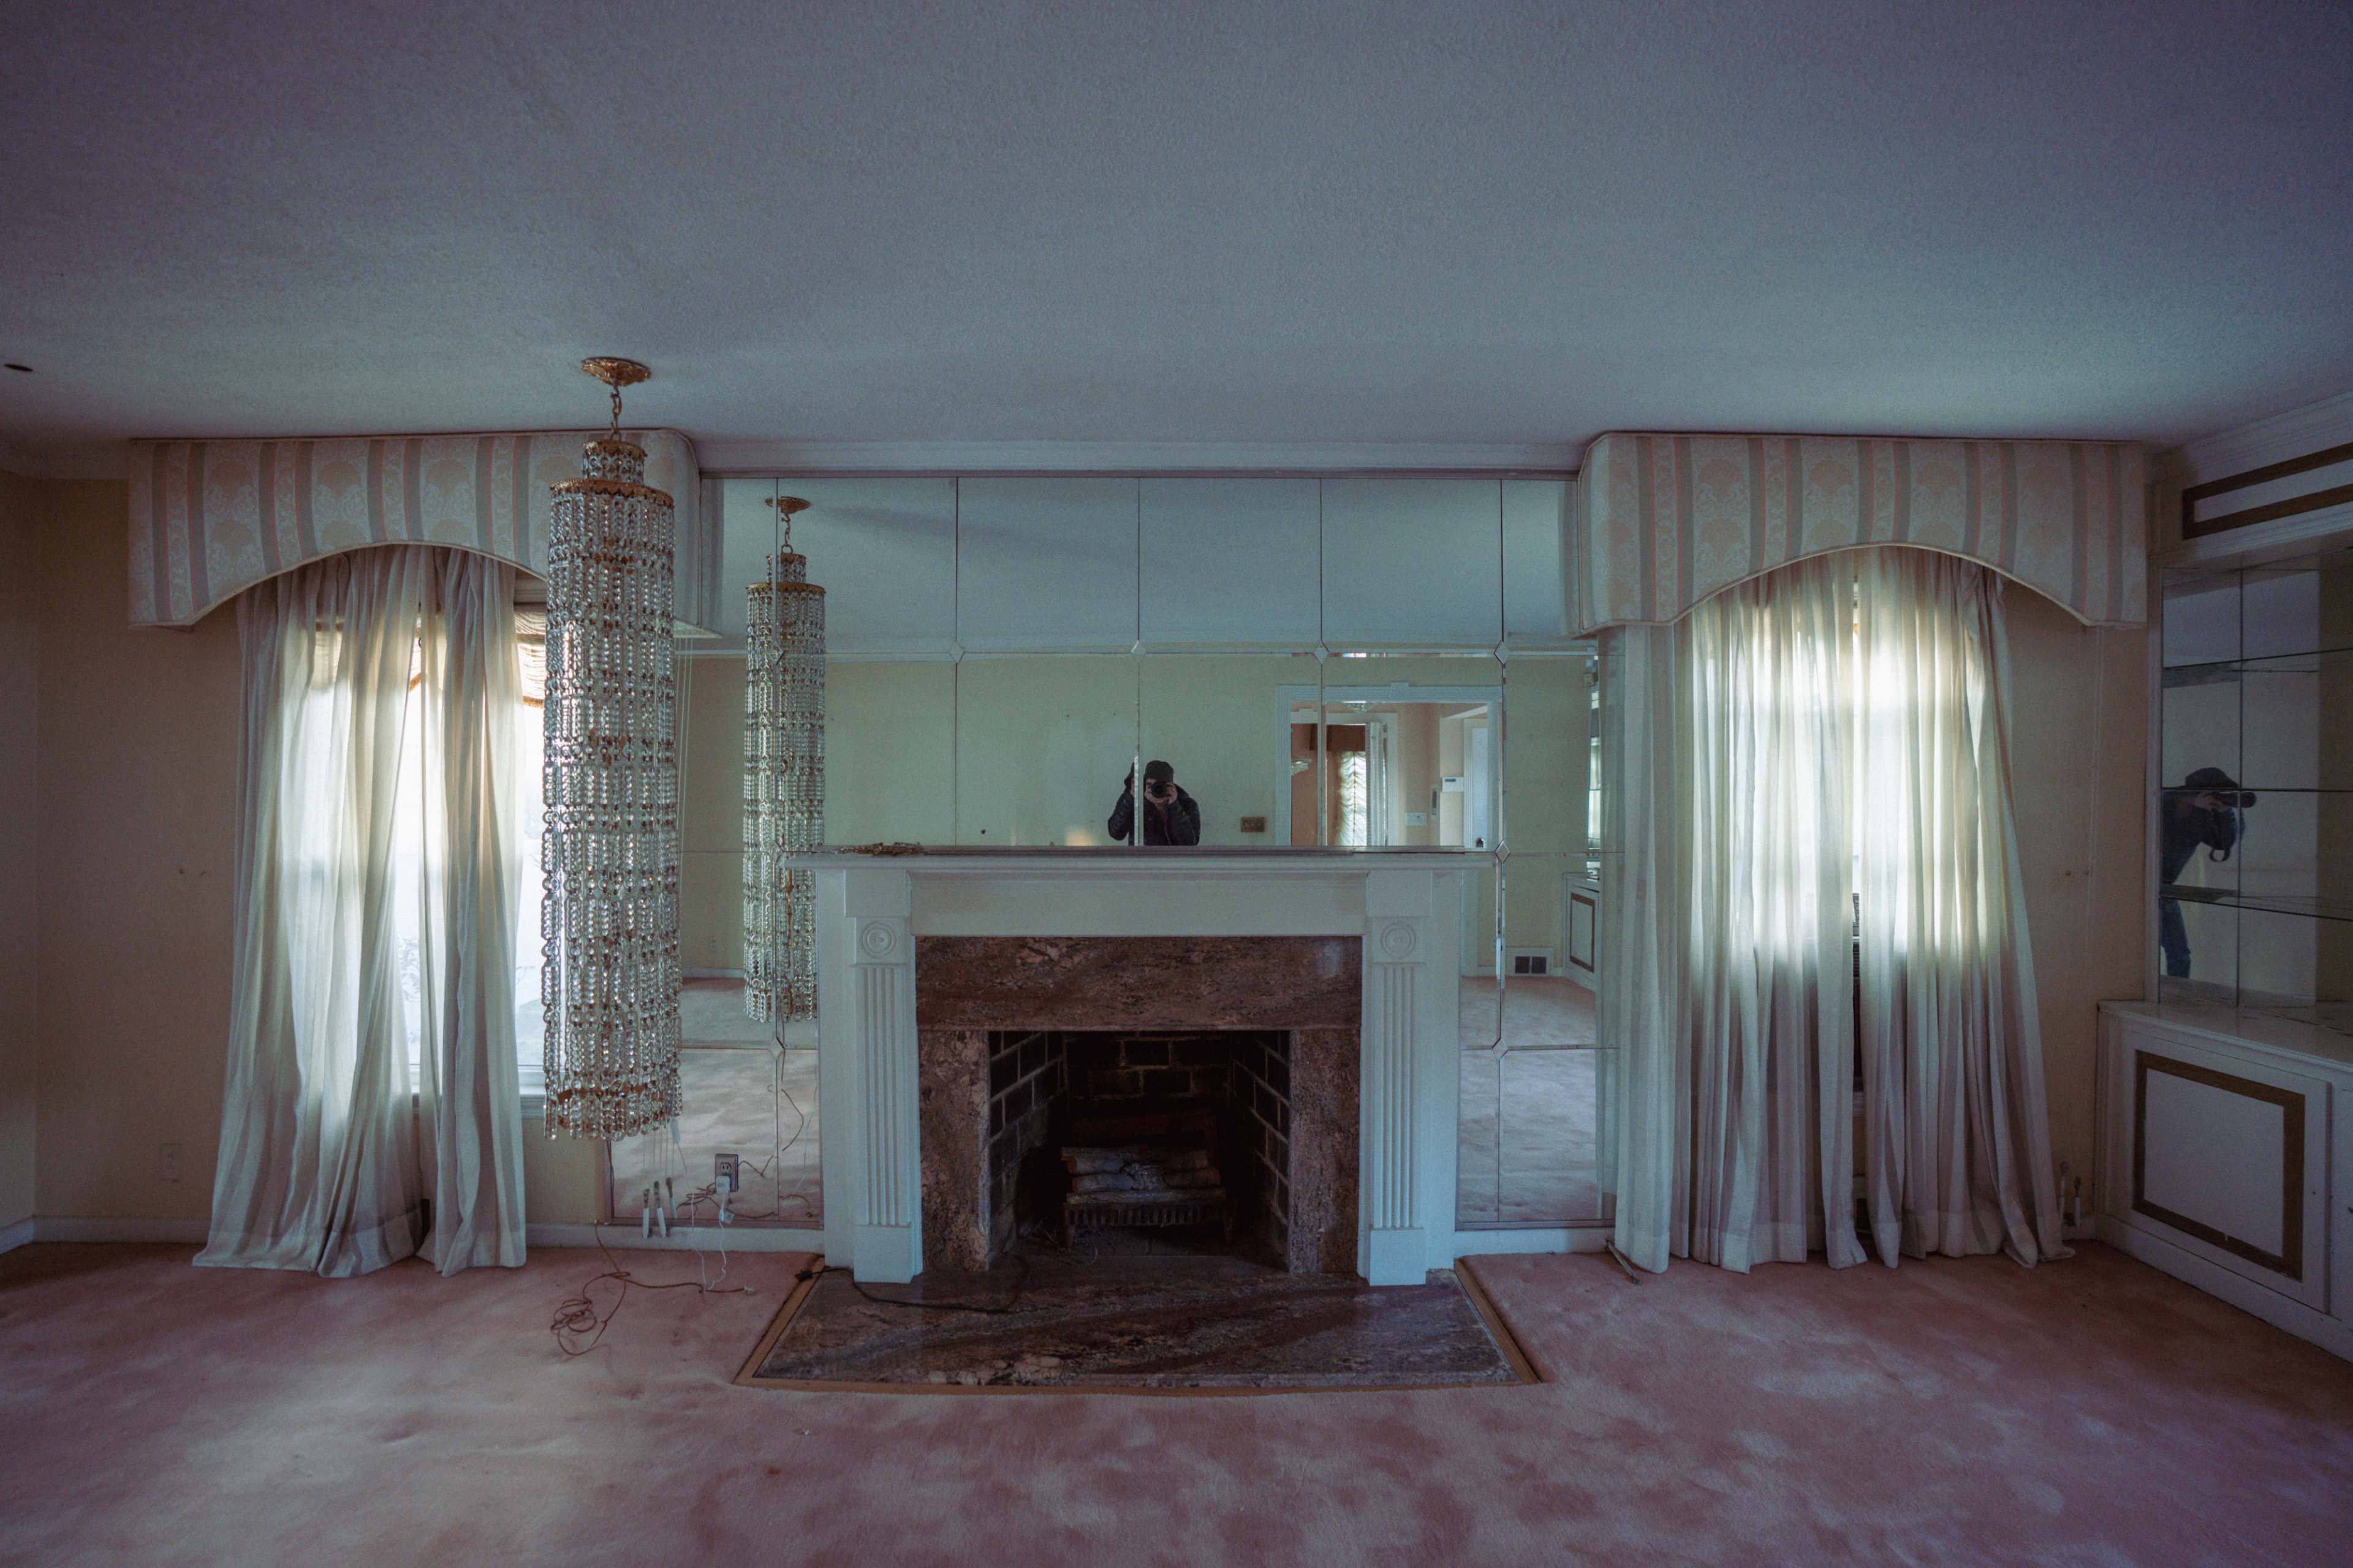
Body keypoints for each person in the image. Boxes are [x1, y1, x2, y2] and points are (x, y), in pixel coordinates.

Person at [2159, 766, 2255, 980]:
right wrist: (2194, 800)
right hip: (2140, 885)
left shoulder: (2201, 817)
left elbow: (2223, 843)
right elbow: (2166, 794)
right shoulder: (2165, 803)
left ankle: (2178, 999)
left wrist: (2226, 812)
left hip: (2164, 890)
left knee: (2179, 954)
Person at [1108, 759, 1200, 846]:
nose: (1155, 789)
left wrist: (1175, 806)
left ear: (1171, 786)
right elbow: (1116, 833)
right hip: (1141, 861)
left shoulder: (1187, 804)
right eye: (1150, 784)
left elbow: (1190, 843)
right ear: (1144, 785)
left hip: (1175, 861)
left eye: (1160, 785)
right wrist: (1135, 799)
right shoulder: (1135, 800)